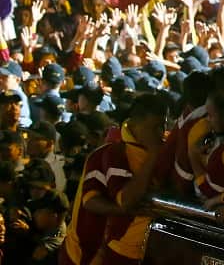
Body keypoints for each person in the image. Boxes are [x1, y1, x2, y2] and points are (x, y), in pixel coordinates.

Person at [60, 93, 167, 265]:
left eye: (163, 126)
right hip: (84, 254)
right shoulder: (109, 153)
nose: (160, 133)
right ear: (137, 124)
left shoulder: (157, 149)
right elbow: (92, 201)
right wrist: (128, 211)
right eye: (155, 127)